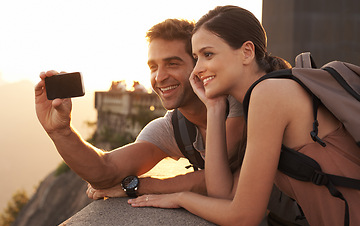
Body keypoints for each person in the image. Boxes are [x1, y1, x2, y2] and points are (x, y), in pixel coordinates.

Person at [127, 6, 360, 226]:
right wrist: (214, 108)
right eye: (196, 58)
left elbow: (243, 218)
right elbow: (223, 194)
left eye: (208, 55)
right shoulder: (261, 99)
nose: (196, 71)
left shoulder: (269, 94)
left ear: (247, 52)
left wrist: (179, 197)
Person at [35, 19, 243, 204]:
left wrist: (140, 186)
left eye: (172, 63)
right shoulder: (172, 128)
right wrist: (61, 132)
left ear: (198, 65)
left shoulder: (234, 101)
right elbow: (106, 171)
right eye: (153, 67)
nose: (159, 77)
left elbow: (218, 179)